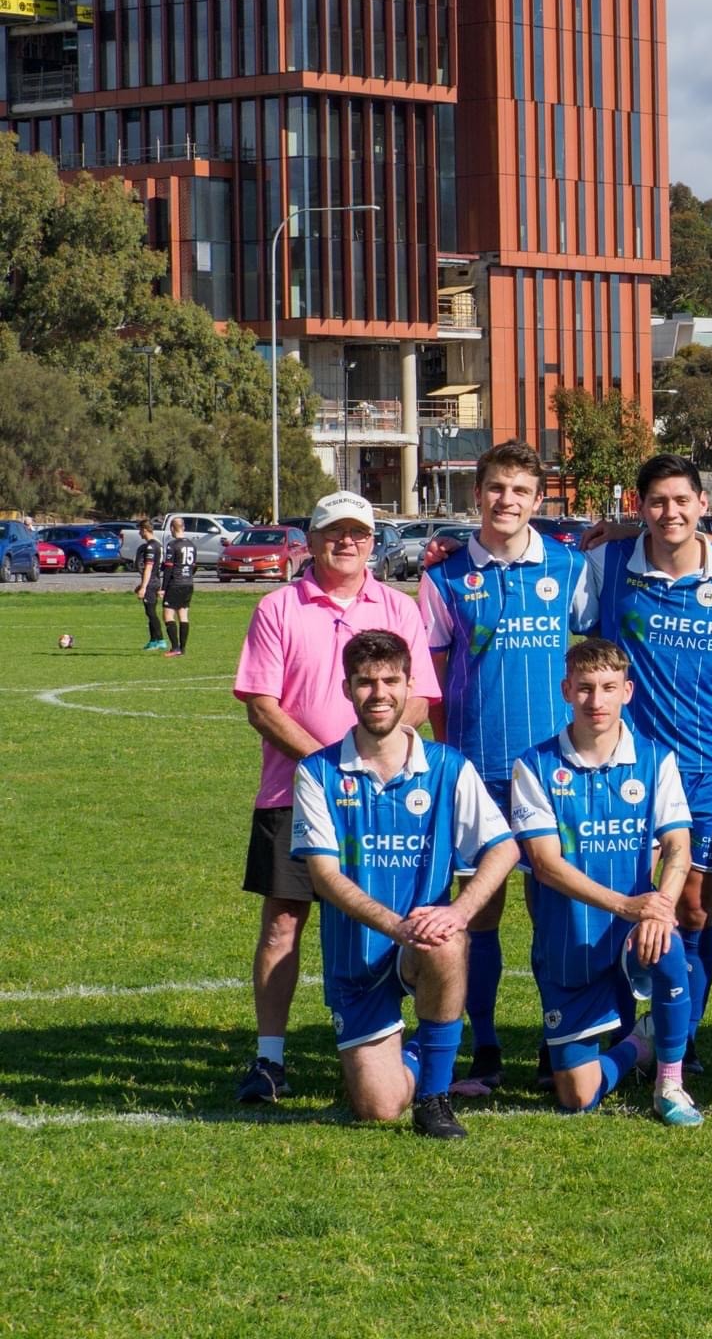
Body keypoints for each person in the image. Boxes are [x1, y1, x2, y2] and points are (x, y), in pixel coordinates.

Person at [229, 489, 441, 1104]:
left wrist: (371, 763)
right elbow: (262, 709)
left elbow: (422, 700)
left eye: (357, 532)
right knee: (282, 927)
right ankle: (270, 1059)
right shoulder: (278, 606)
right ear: (311, 539)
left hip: (384, 794)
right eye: (332, 532)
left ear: (373, 542)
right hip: (294, 792)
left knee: (397, 921)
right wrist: (328, 767)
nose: (345, 542)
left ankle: (406, 1042)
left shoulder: (399, 608)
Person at [589, 453, 712, 1078]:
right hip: (626, 768)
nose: (670, 512)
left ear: (702, 505)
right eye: (656, 502)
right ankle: (615, 1028)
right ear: (638, 508)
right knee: (625, 901)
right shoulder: (609, 565)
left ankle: (681, 1036)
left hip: (703, 764)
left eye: (681, 501)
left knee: (694, 909)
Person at [418, 440, 597, 1097]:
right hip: (478, 774)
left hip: (553, 774)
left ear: (539, 500)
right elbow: (432, 684)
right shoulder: (443, 578)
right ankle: (486, 1048)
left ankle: (558, 1044)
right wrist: (450, 766)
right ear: (478, 495)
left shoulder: (571, 567)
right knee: (479, 914)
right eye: (496, 488)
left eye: (521, 490)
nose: (507, 501)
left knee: (553, 911)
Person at [289, 630, 519, 1139]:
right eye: (366, 682)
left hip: (422, 943)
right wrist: (398, 927)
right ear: (346, 689)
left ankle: (435, 1097)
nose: (379, 693)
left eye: (391, 680)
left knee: (445, 940)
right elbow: (325, 877)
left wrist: (458, 913)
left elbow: (504, 848)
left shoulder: (448, 767)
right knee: (378, 1108)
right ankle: (420, 1049)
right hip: (359, 957)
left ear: (410, 685)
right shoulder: (317, 773)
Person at [510, 637, 701, 1125]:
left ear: (628, 691)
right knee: (577, 1097)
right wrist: (627, 905)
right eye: (585, 688)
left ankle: (670, 1084)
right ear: (566, 690)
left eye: (608, 688)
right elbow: (545, 863)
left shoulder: (656, 761)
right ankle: (640, 1043)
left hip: (632, 937)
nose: (596, 701)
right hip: (569, 946)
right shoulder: (533, 766)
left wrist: (660, 905)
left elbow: (679, 845)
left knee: (669, 943)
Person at [161, 516, 199, 656]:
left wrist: (163, 588)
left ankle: (175, 648)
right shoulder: (192, 545)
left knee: (168, 615)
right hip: (188, 583)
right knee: (183, 615)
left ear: (172, 528)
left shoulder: (172, 545)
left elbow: (169, 568)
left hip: (175, 583)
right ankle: (182, 649)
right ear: (183, 527)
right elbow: (194, 566)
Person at [134, 519, 166, 652]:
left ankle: (160, 640)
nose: (139, 533)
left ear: (145, 530)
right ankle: (153, 640)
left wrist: (144, 587)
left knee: (151, 612)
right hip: (155, 581)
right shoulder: (157, 544)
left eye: (140, 530)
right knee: (149, 612)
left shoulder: (150, 547)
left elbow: (148, 568)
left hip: (151, 582)